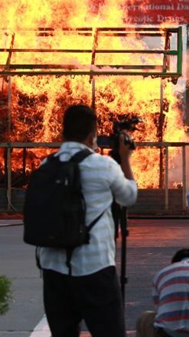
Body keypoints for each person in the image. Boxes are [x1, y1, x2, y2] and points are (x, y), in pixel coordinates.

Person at [37, 104, 138, 337]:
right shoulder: (103, 165)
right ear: (93, 134)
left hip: (53, 268)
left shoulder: (47, 164)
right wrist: (125, 159)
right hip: (94, 267)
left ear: (62, 132)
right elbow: (129, 196)